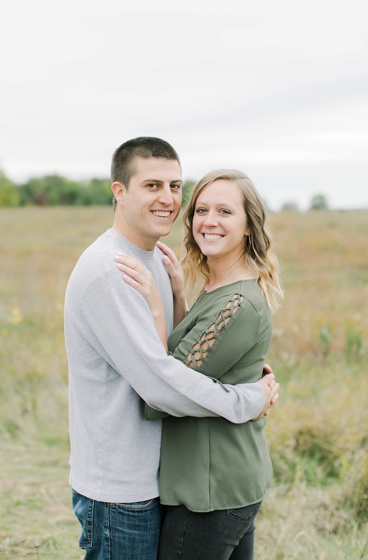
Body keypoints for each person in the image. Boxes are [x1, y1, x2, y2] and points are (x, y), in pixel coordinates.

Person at [65, 137, 279, 560]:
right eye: (152, 186)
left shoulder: (155, 260)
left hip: (158, 479)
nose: (168, 199)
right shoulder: (112, 271)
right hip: (120, 488)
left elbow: (179, 355)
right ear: (119, 191)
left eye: (176, 186)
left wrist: (181, 305)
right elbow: (160, 386)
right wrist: (247, 397)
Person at [117, 168, 283, 559]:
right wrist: (177, 295)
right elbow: (201, 356)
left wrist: (156, 309)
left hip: (210, 492)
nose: (209, 221)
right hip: (227, 484)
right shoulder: (219, 289)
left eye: (225, 211)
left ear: (248, 226)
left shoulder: (236, 304)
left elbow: (164, 391)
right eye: (201, 210)